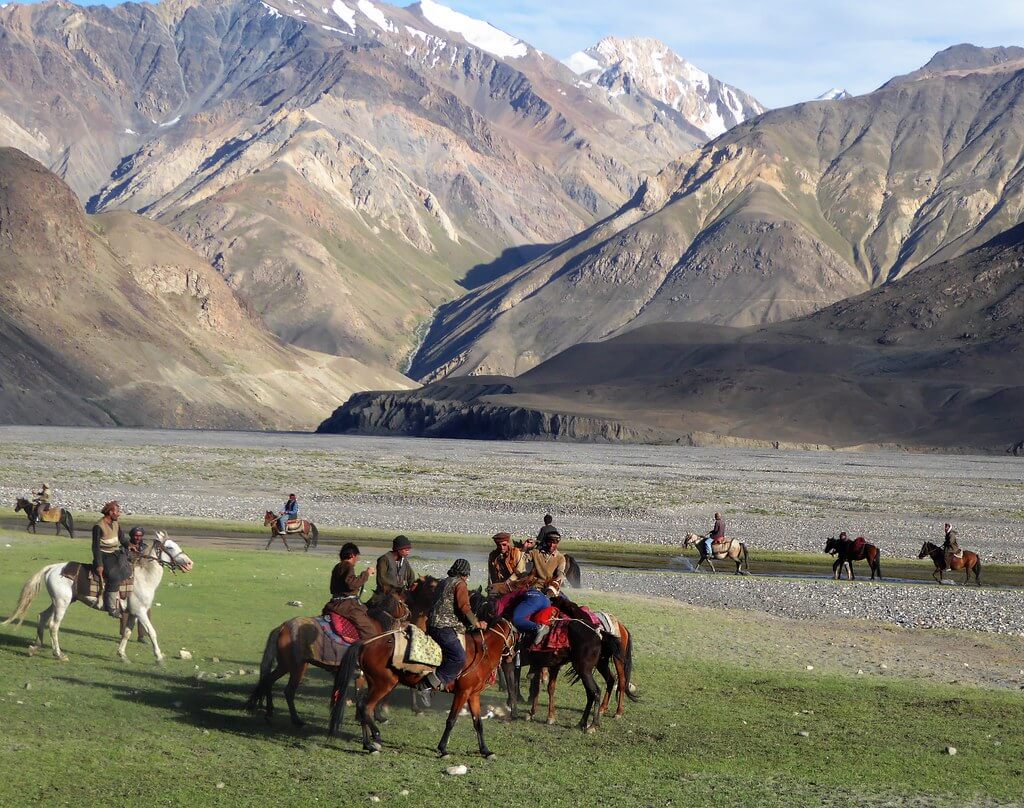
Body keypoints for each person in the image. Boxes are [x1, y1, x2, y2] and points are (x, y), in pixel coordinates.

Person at [419, 559, 486, 691]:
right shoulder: (460, 584)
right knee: (459, 657)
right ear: (465, 573)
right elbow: (464, 607)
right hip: (444, 628)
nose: (467, 578)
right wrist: (477, 623)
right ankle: (428, 684)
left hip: (431, 625)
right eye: (467, 575)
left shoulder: (443, 582)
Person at [512, 529, 568, 646]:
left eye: (555, 543)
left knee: (568, 608)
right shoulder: (536, 553)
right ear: (546, 541)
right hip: (535, 588)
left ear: (558, 543)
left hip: (551, 590)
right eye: (550, 542)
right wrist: (525, 548)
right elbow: (520, 565)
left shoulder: (560, 558)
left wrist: (553, 587)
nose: (552, 545)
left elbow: (561, 574)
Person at [322, 542, 377, 640]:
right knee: (369, 630)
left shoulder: (338, 566)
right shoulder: (348, 566)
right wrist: (366, 573)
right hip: (346, 605)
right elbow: (351, 584)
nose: (358, 559)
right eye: (357, 556)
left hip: (336, 602)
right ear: (352, 555)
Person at [92, 501, 131, 617]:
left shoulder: (116, 523)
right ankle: (112, 607)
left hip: (115, 553)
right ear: (110, 512)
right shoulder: (98, 526)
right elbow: (95, 546)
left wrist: (129, 546)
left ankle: (123, 597)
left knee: (127, 568)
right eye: (117, 512)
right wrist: (99, 564)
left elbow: (122, 539)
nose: (119, 514)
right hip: (104, 555)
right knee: (114, 576)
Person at [368, 535, 416, 608]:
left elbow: (411, 576)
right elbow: (381, 580)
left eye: (409, 550)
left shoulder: (404, 561)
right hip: (385, 595)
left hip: (400, 594)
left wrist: (413, 585)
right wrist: (394, 592)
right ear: (398, 549)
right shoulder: (384, 559)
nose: (408, 552)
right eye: (406, 550)